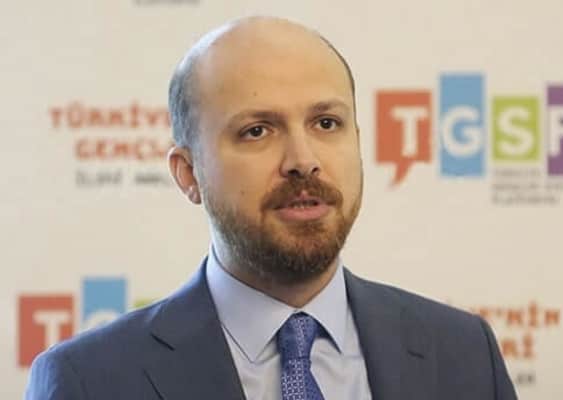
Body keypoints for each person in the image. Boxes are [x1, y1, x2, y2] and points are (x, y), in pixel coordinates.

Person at [25, 16, 517, 400]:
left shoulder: (463, 352)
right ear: (188, 173)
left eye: (326, 123)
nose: (303, 160)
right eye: (257, 131)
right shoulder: (89, 381)